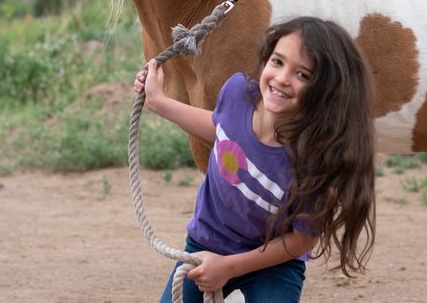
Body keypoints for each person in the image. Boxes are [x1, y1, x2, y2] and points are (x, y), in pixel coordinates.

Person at [134, 16, 376, 303]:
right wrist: (159, 102)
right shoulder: (238, 92)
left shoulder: (317, 158)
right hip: (206, 242)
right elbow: (222, 128)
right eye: (278, 62)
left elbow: (302, 240)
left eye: (303, 75)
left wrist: (228, 268)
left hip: (273, 263)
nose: (282, 78)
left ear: (326, 90)